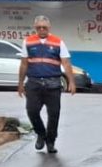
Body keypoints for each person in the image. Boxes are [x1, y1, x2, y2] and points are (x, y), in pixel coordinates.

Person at [17, 15, 76, 154]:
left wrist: (71, 81)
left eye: (44, 27)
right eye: (39, 27)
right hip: (33, 83)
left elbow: (66, 63)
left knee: (54, 114)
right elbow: (24, 64)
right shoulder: (28, 42)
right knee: (32, 111)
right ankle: (41, 134)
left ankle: (50, 142)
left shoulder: (58, 42)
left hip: (53, 84)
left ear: (49, 27)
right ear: (35, 28)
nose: (42, 29)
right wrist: (20, 83)